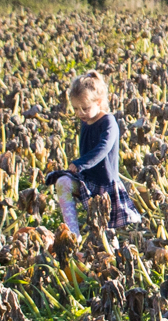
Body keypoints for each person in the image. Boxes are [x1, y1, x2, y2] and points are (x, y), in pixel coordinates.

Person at [46, 71, 139, 235]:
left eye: (85, 108)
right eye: (76, 109)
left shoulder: (108, 122)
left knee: (105, 231)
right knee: (62, 183)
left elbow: (102, 148)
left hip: (105, 186)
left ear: (99, 102)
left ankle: (111, 252)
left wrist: (80, 163)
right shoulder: (86, 122)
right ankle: (73, 234)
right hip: (87, 180)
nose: (80, 113)